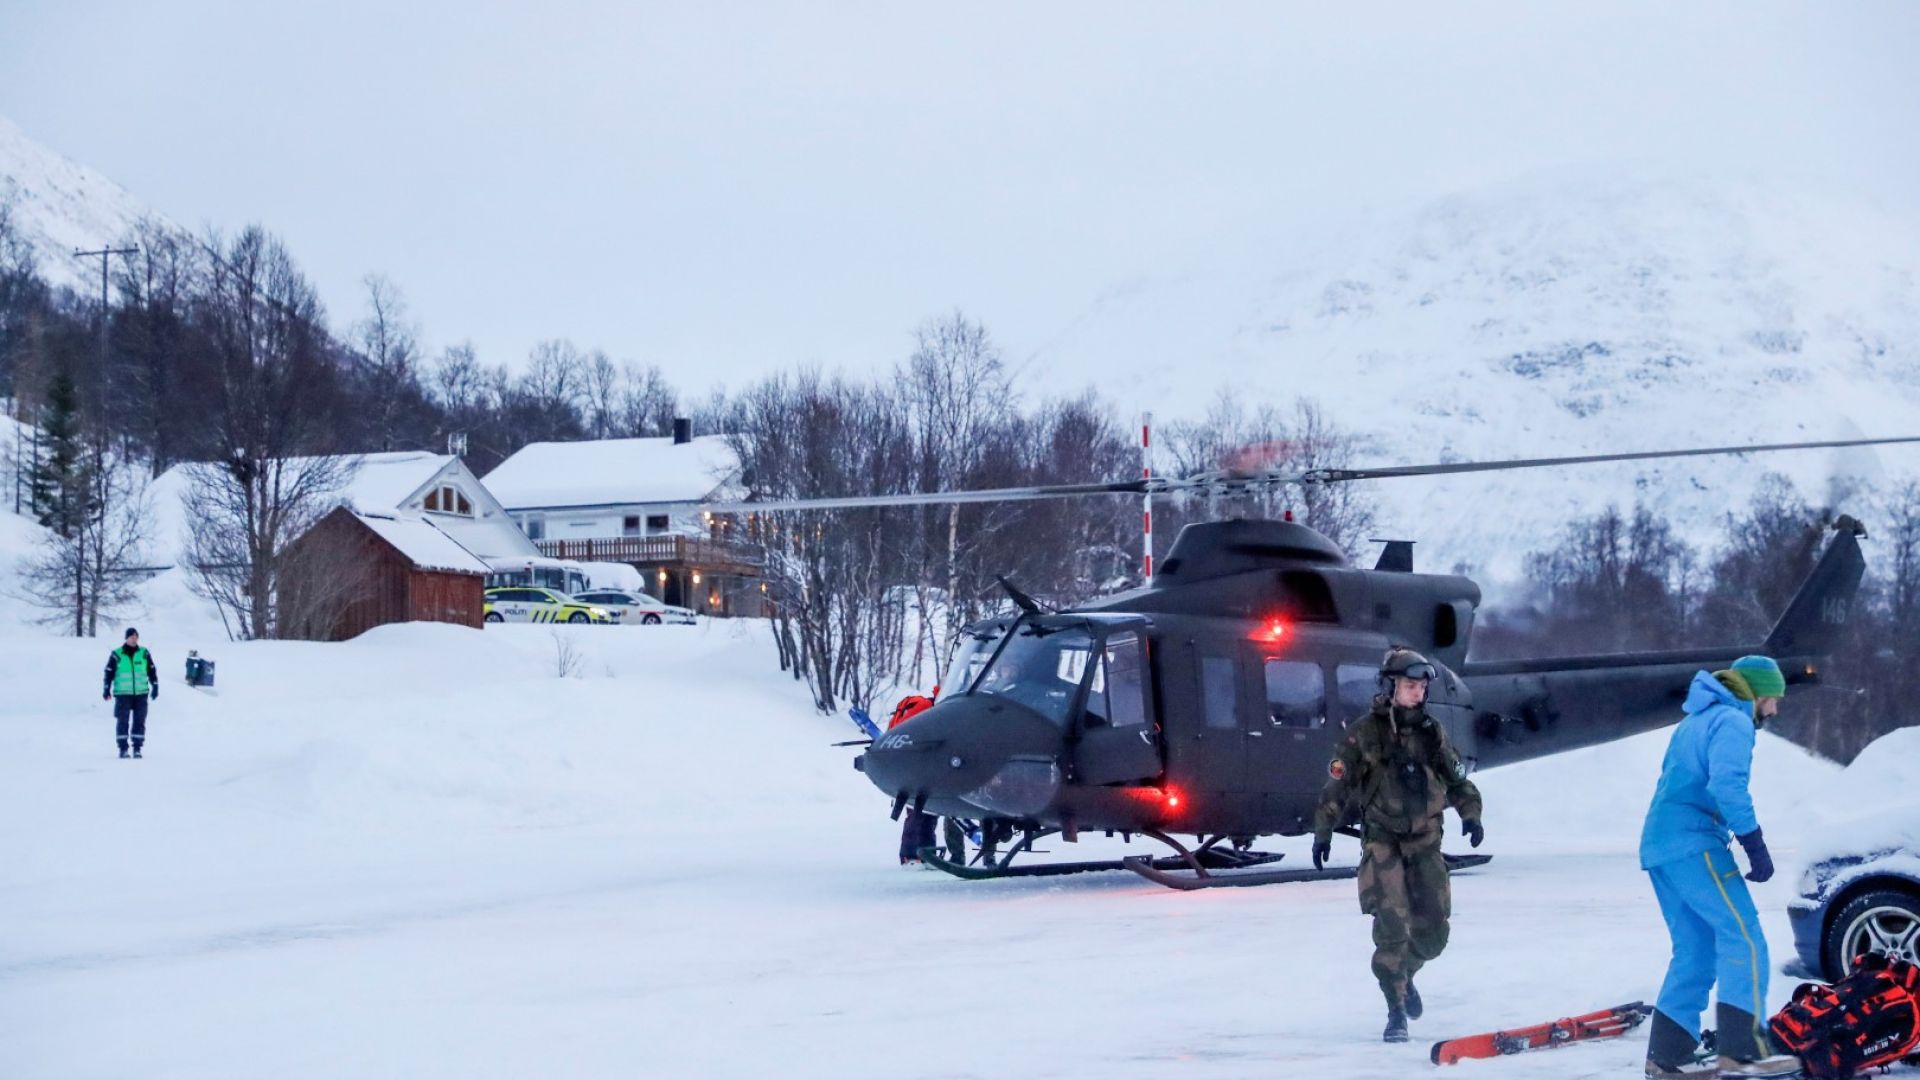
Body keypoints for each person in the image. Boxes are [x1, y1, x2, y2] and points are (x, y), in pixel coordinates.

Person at [1639, 655, 1801, 1079]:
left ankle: (1667, 1056)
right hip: (1694, 843)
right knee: (1744, 938)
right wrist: (1754, 842)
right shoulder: (1733, 721)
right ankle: (1743, 1051)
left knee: (1695, 952)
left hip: (1661, 846)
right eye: (1774, 698)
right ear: (1758, 692)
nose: (1775, 708)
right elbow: (1727, 785)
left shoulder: (1697, 719)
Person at [1311, 647, 1484, 1043]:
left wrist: (1470, 813)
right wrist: (1323, 831)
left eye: (1421, 687)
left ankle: (1404, 976)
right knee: (1391, 927)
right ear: (1390, 687)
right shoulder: (1364, 733)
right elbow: (1337, 783)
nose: (1418, 693)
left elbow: (1456, 777)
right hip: (1383, 843)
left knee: (1434, 931)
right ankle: (1395, 1009)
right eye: (1410, 686)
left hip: (1425, 841)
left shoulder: (1431, 733)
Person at [102, 627, 159, 759]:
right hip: (123, 694)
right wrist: (106, 689)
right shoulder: (117, 654)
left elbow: (152, 671)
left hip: (141, 694)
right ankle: (123, 749)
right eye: (131, 637)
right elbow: (108, 672)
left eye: (136, 637)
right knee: (123, 721)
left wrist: (155, 686)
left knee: (140, 721)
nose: (134, 639)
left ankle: (137, 748)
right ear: (126, 638)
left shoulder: (144, 653)